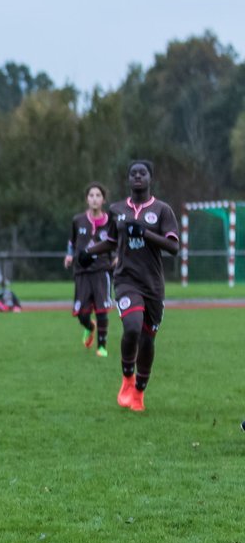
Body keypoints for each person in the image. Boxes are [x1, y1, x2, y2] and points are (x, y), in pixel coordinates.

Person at [80, 160, 179, 412]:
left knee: (147, 340)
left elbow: (173, 247)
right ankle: (127, 378)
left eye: (142, 173)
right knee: (132, 328)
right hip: (126, 280)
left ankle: (139, 391)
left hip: (153, 285)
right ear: (128, 179)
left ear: (150, 178)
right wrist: (89, 252)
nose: (137, 176)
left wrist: (144, 232)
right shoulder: (117, 210)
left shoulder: (163, 210)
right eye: (133, 173)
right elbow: (112, 241)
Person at [64, 183, 113, 357]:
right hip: (82, 272)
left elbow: (117, 244)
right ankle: (89, 327)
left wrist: (116, 259)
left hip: (101, 271)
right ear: (87, 199)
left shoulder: (110, 222)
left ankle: (102, 346)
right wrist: (69, 255)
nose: (94, 198)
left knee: (102, 310)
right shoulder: (78, 220)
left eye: (98, 195)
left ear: (103, 200)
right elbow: (72, 242)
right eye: (91, 195)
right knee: (82, 314)